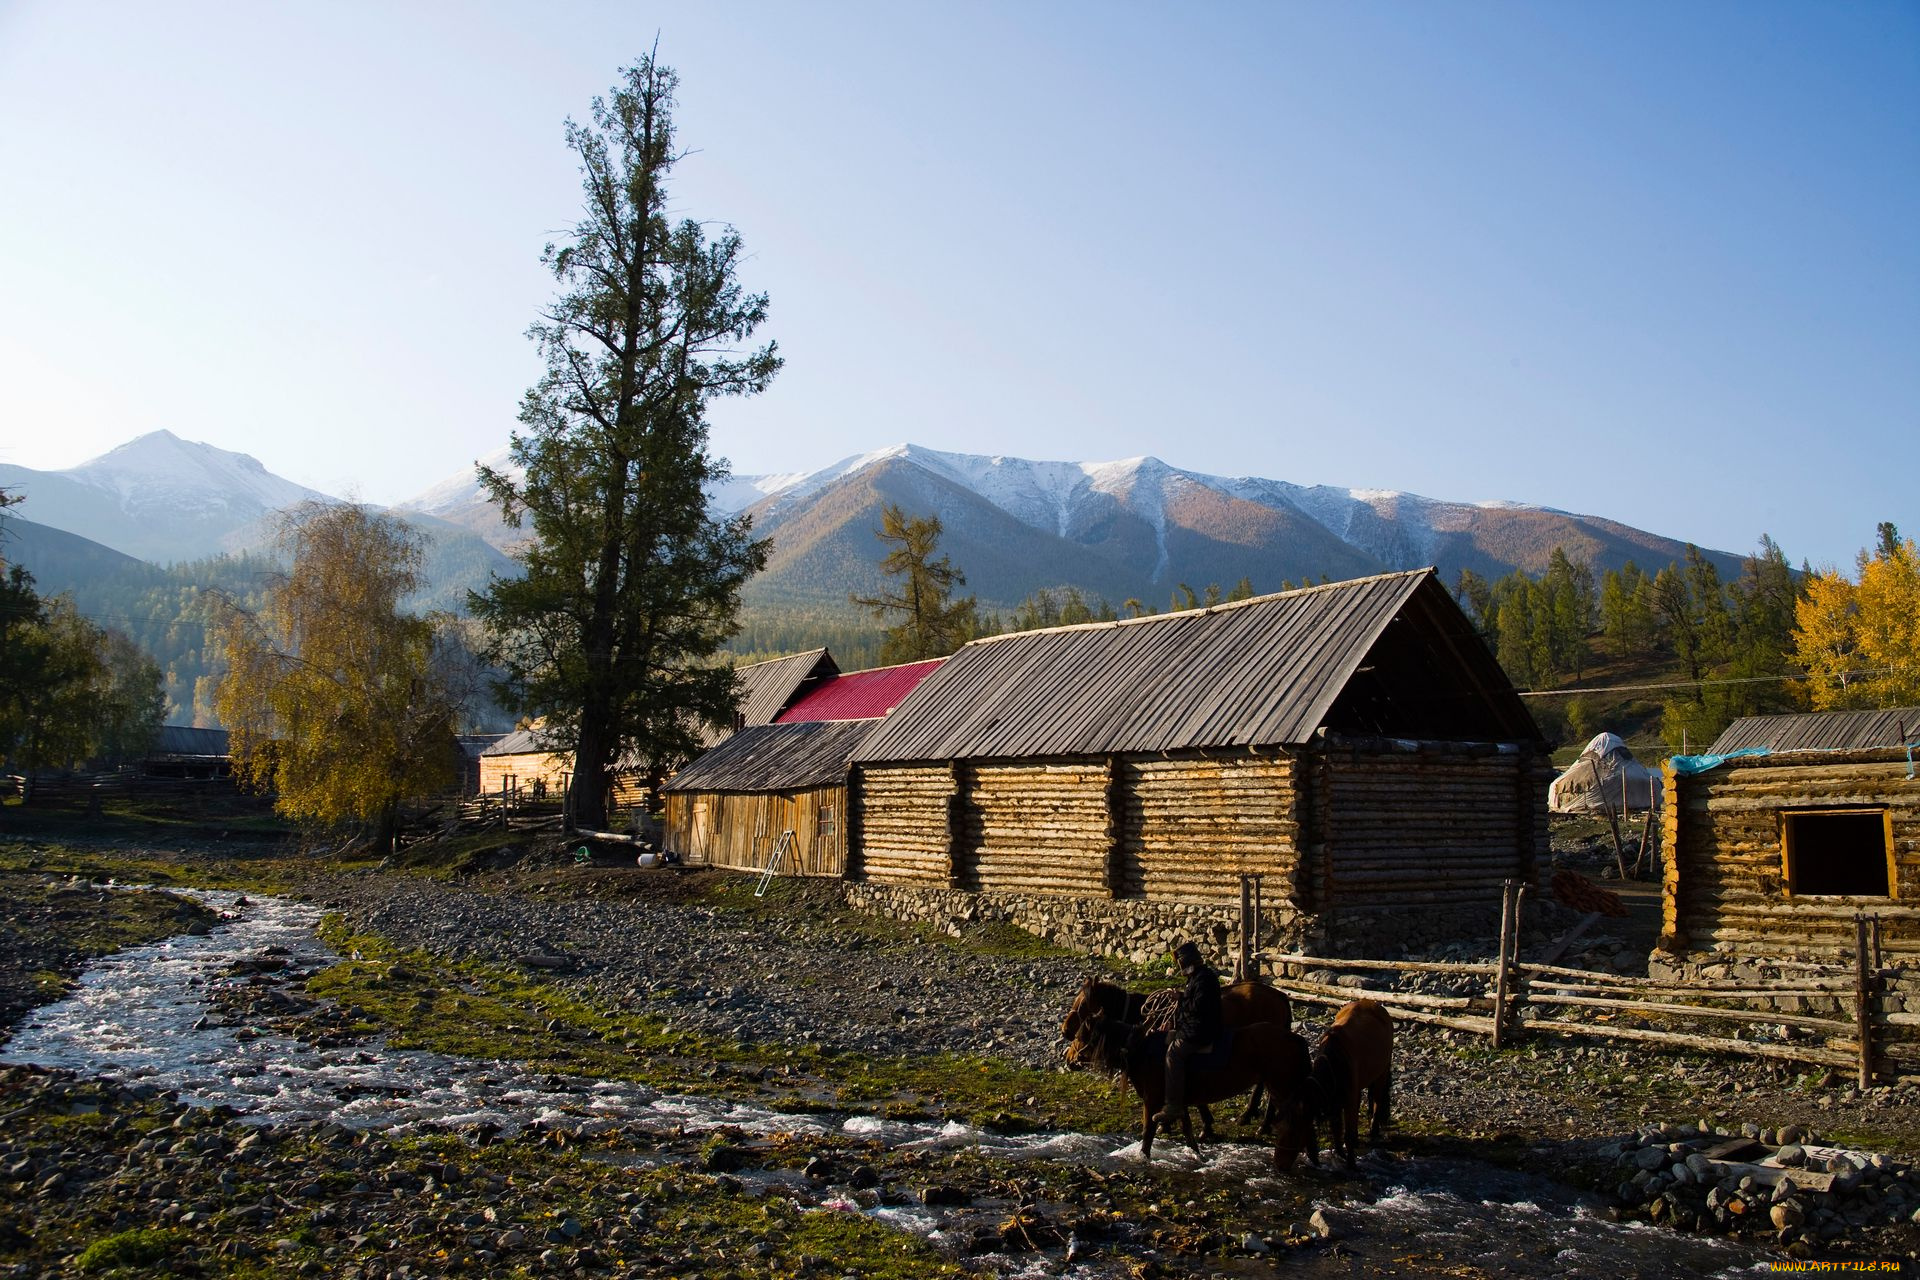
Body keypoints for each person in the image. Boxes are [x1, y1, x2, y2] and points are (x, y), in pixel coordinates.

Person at [1157, 940, 1222, 1127]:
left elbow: (1198, 1006)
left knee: (1173, 1054)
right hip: (1193, 1026)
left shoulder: (1204, 979)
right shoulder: (1197, 978)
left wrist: (1181, 998)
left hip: (1201, 1029)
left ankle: (1174, 1105)